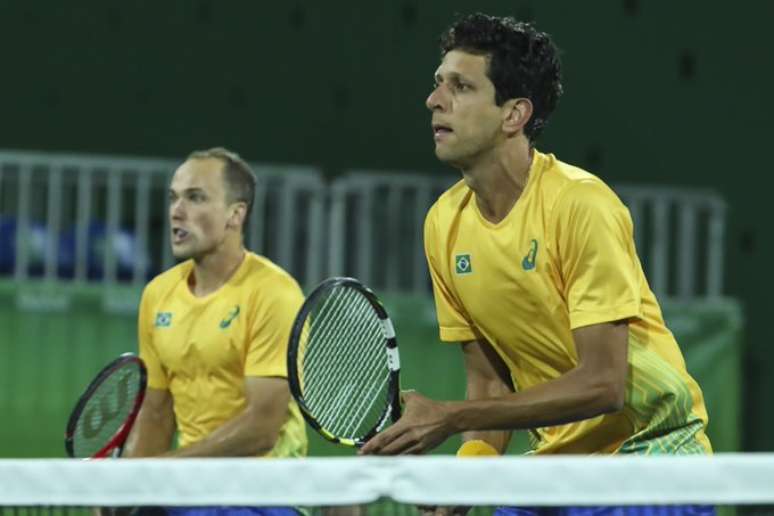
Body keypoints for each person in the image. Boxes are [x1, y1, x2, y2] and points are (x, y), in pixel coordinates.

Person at [360, 13, 713, 516]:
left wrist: (450, 417)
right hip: (553, 470)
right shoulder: (443, 224)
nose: (434, 100)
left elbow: (603, 384)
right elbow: (490, 382)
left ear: (513, 115)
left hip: (652, 458)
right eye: (438, 84)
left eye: (460, 86)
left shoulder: (581, 205)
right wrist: (470, 472)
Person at [124, 147, 307, 516]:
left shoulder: (274, 293)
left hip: (266, 491)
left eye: (195, 198)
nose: (177, 211)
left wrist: (163, 470)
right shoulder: (158, 295)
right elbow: (157, 414)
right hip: (189, 490)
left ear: (235, 214)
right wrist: (126, 490)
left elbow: (262, 429)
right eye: (174, 198)